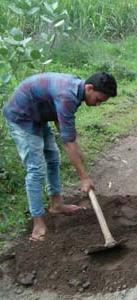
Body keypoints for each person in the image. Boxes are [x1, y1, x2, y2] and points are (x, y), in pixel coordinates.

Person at [3, 72, 117, 241]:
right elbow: (67, 141)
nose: (98, 104)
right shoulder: (67, 95)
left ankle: (56, 204)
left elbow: (63, 122)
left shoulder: (77, 90)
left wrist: (76, 149)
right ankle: (38, 223)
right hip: (21, 118)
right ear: (89, 87)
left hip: (39, 116)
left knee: (53, 158)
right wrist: (84, 177)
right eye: (98, 99)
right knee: (36, 169)